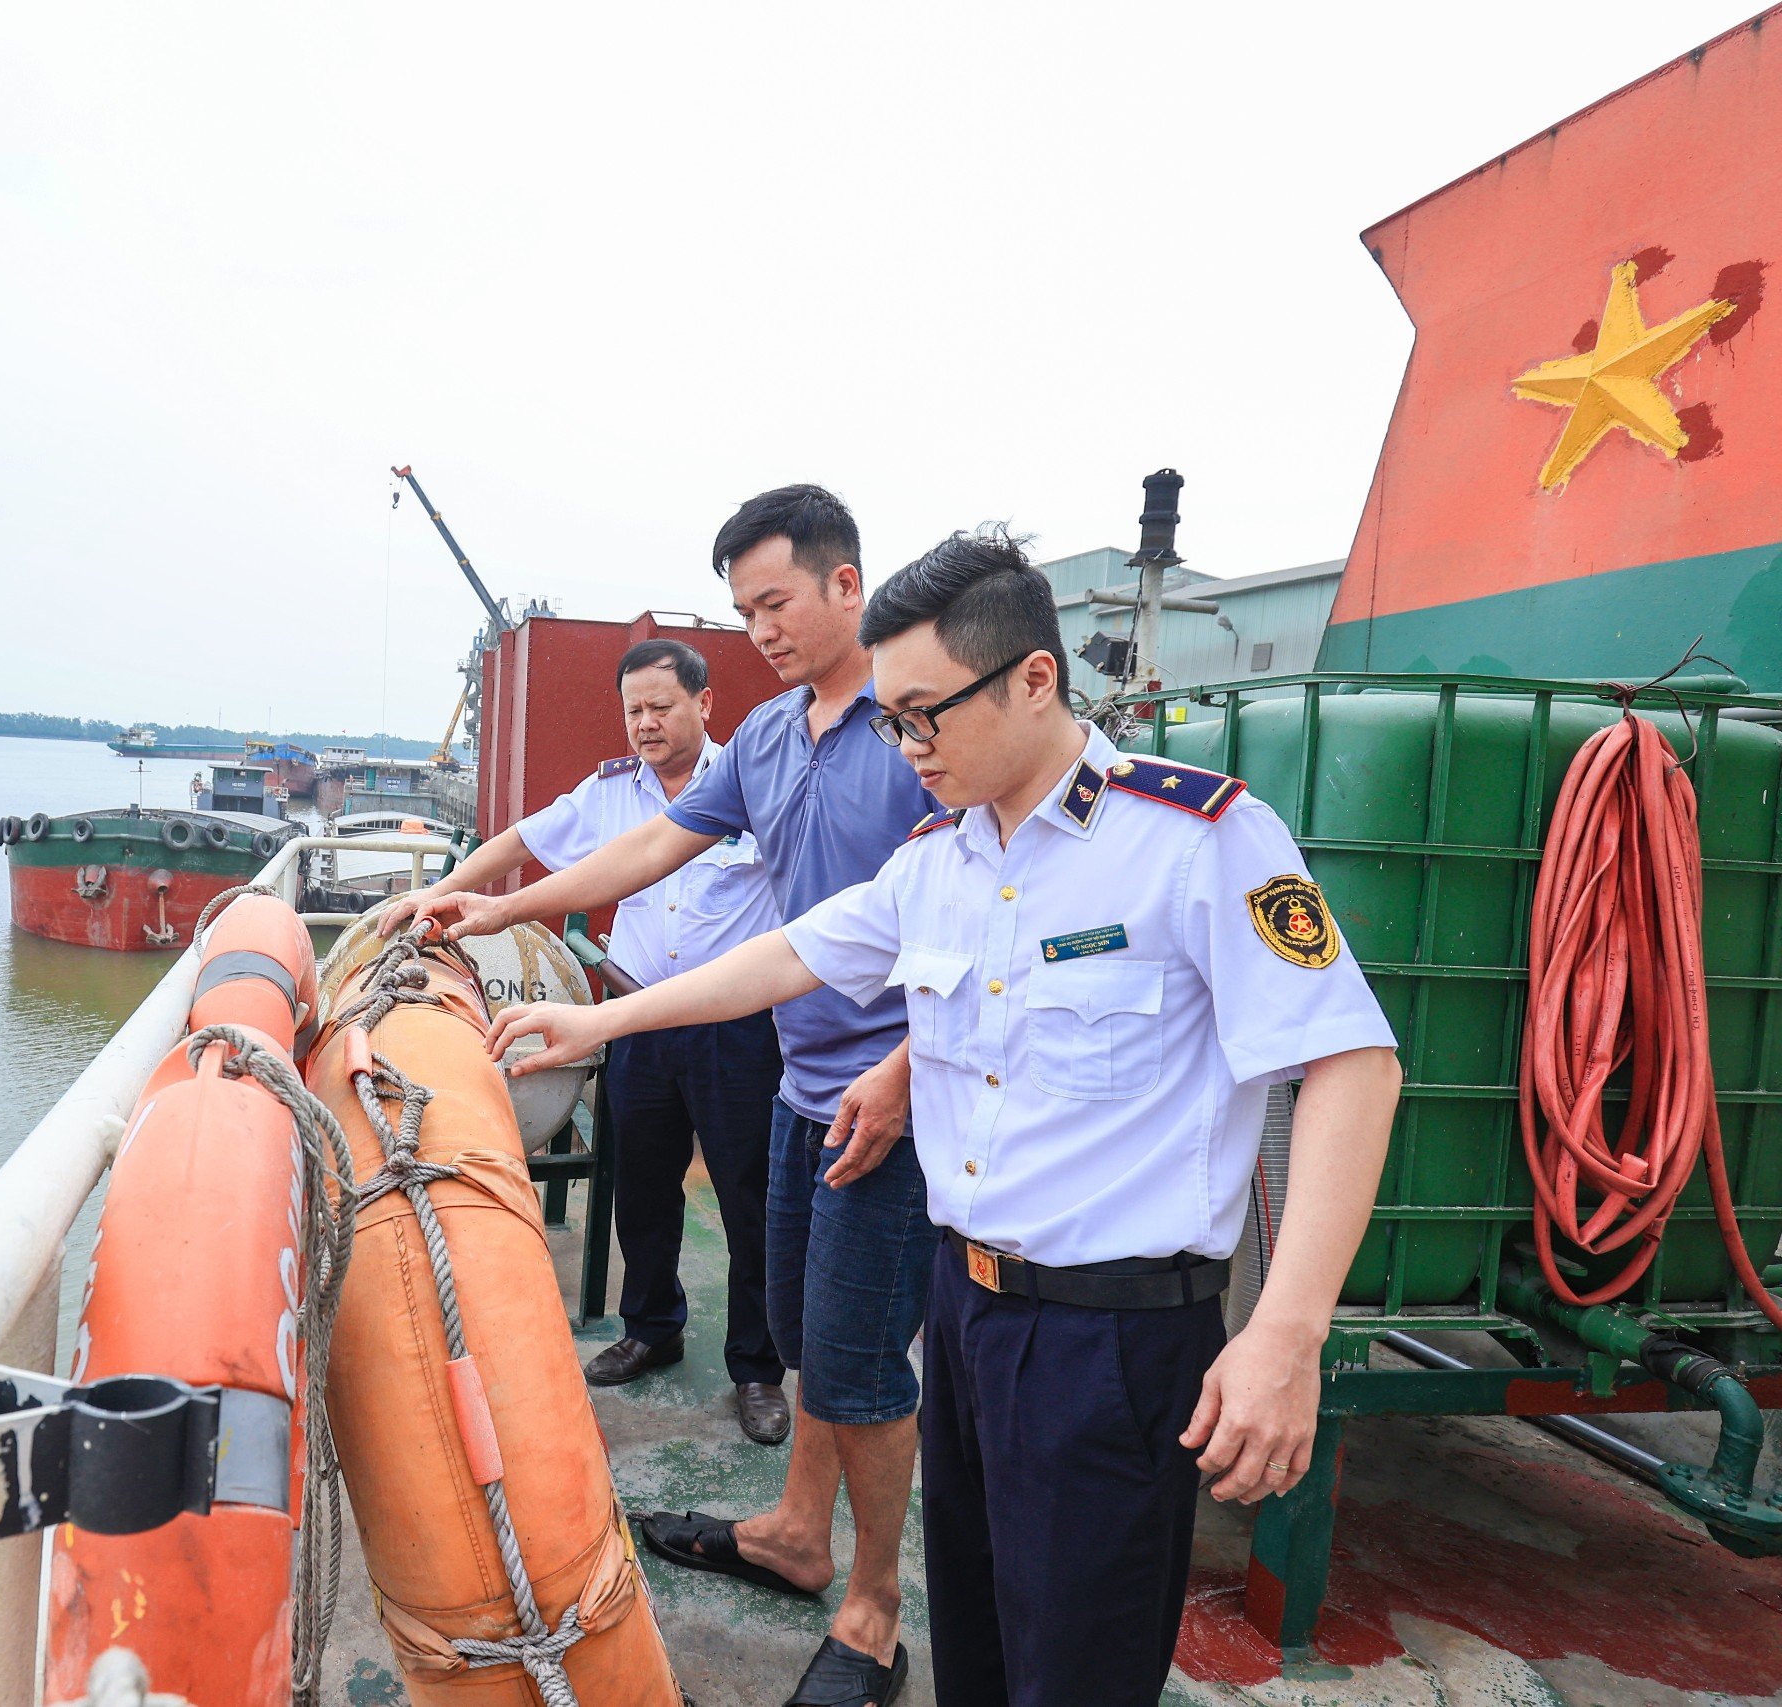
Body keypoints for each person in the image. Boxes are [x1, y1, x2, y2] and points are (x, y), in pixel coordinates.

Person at [488, 526, 1405, 1707]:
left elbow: (1352, 1065)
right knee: (974, 1641)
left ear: (1034, 679)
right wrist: (599, 1027)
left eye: (926, 715)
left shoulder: (1196, 841)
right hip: (962, 1312)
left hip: (1109, 1344)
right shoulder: (942, 858)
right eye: (892, 720)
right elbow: (789, 954)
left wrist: (1285, 1336)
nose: (907, 746)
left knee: (1071, 1667)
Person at [385, 485, 938, 1704]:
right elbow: (643, 849)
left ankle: (875, 1610)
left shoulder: (919, 731)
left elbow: (991, 902)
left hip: (893, 1098)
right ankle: (797, 1533)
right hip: (802, 1074)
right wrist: (500, 907)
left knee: (858, 1367)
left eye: (778, 602)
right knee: (800, 1337)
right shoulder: (773, 740)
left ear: (847, 585)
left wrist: (907, 1069)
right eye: (747, 611)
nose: (766, 629)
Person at [394, 637, 790, 1440]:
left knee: (751, 1200)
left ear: (704, 703)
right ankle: (652, 1326)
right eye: (633, 710)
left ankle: (757, 1369)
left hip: (734, 1024)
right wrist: (440, 891)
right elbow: (523, 842)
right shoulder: (610, 794)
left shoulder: (751, 785)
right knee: (642, 1183)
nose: (644, 724)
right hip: (638, 1015)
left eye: (661, 707)